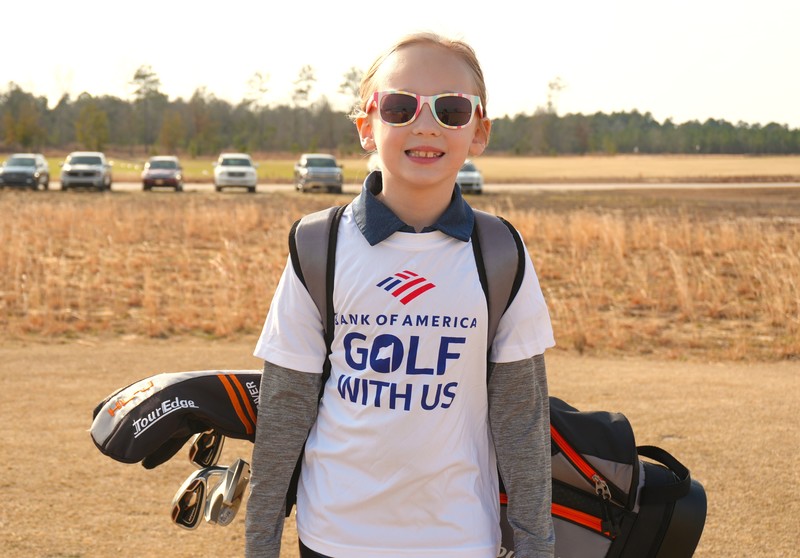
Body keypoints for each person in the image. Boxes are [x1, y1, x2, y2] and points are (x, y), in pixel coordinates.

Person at [246, 32, 555, 558]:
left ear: (479, 132)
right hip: (332, 537)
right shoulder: (319, 244)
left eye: (451, 109)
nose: (425, 123)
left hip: (458, 540)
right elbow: (285, 406)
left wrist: (535, 547)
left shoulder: (501, 251)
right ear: (367, 126)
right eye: (400, 105)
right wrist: (260, 544)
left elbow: (521, 419)